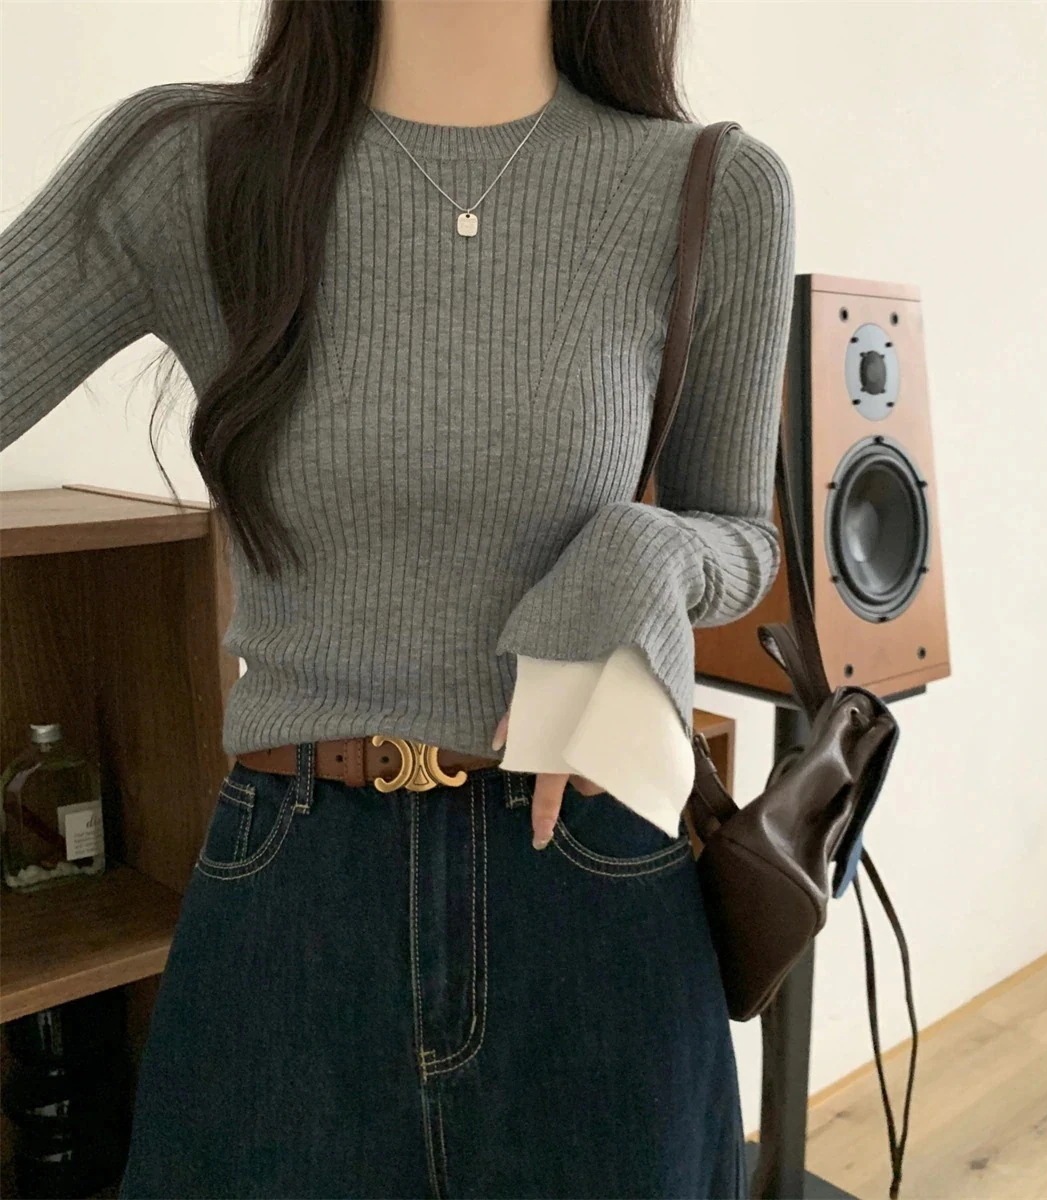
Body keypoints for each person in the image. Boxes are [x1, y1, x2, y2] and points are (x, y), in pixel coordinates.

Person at [0, 1, 796, 1196]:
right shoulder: (191, 164)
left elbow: (744, 537)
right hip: (294, 890)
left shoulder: (713, 188)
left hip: (596, 880)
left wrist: (647, 551)